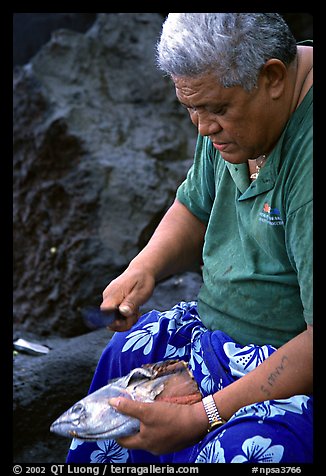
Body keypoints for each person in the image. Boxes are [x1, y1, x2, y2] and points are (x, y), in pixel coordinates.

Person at [66, 13, 313, 463]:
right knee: (123, 356)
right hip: (216, 336)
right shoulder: (231, 105)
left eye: (215, 110)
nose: (201, 127)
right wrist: (145, 268)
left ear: (273, 77)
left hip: (291, 368)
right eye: (190, 108)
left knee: (241, 452)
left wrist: (205, 415)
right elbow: (196, 205)